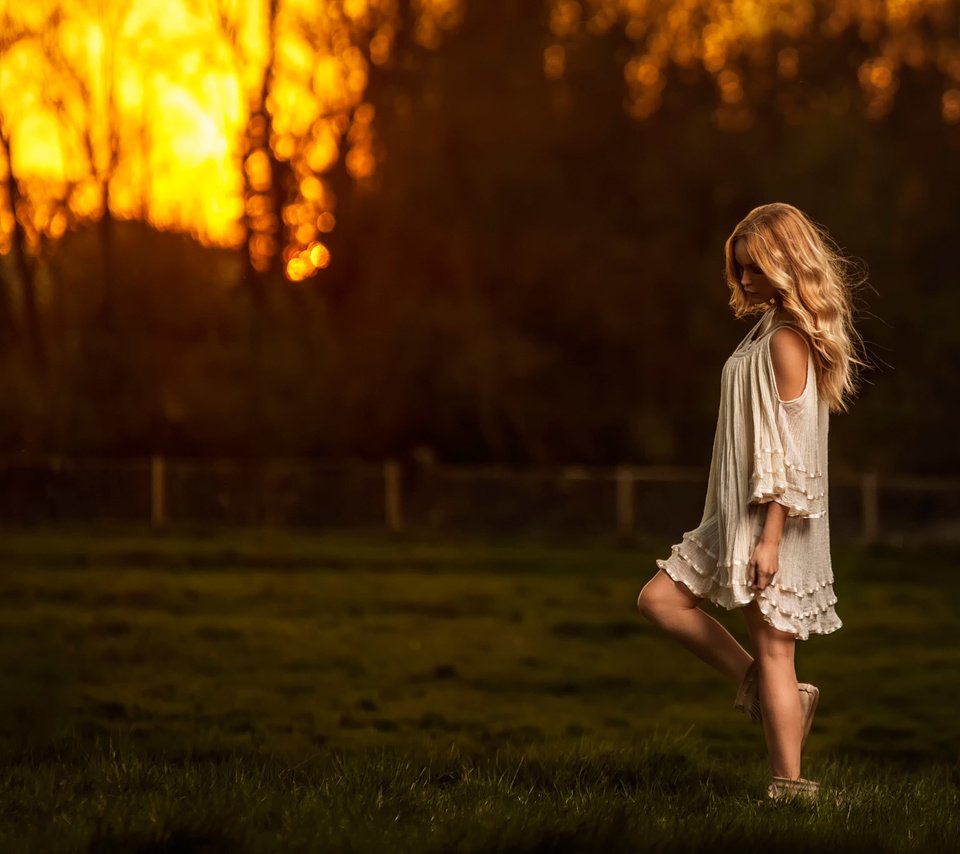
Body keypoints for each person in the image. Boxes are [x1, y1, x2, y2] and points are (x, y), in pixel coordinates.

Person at [636, 202, 868, 803]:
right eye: (738, 269)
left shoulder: (788, 340)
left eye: (754, 269)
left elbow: (794, 455)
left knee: (774, 649)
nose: (743, 281)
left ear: (786, 265)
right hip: (733, 514)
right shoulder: (765, 327)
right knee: (660, 601)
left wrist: (770, 538)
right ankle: (771, 693)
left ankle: (791, 788)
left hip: (771, 520)